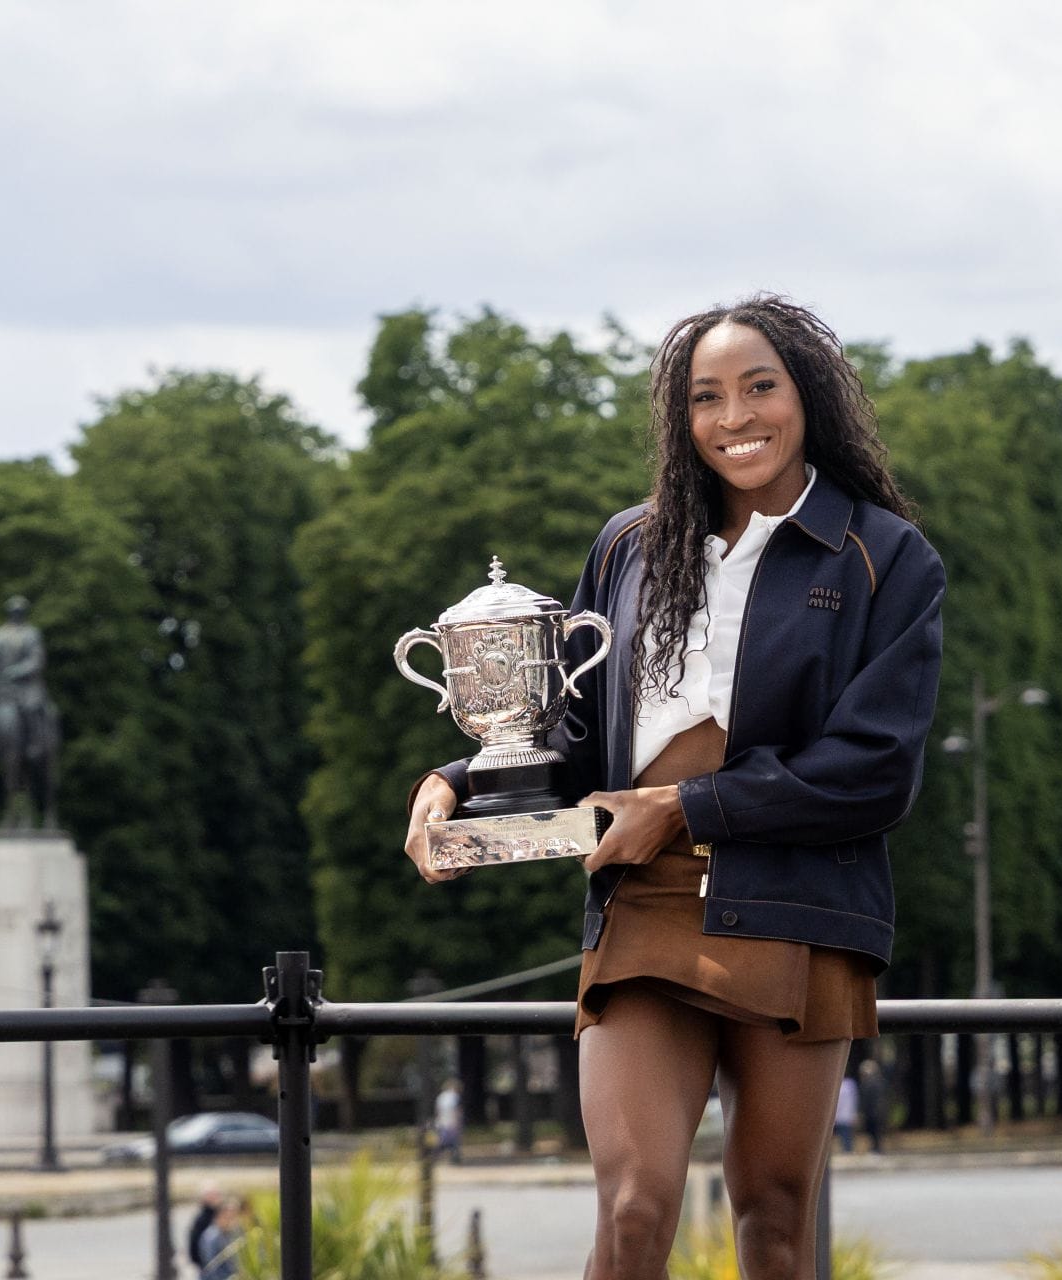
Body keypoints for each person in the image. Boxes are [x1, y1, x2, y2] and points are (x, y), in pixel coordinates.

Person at [405, 295, 944, 1280]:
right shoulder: (628, 547)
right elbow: (573, 731)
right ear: (680, 415)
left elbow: (876, 769)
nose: (735, 416)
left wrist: (685, 807)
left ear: (807, 396)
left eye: (759, 387)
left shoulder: (885, 555)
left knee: (774, 1219)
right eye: (706, 396)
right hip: (643, 907)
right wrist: (458, 782)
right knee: (632, 1205)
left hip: (800, 906)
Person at [198, 1196, 246, 1279]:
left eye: (234, 1216)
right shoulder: (211, 1237)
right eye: (229, 1217)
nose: (232, 1221)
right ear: (220, 1216)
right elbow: (212, 1267)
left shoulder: (231, 1233)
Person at [186, 1182, 223, 1270]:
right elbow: (194, 1242)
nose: (214, 1197)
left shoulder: (221, 1214)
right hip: (205, 1264)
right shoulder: (201, 1219)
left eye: (215, 1194)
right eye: (210, 1195)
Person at [858, 1058, 890, 1154]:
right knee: (876, 1132)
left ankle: (876, 1148)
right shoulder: (881, 1081)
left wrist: (862, 1111)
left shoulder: (868, 1083)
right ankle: (877, 1148)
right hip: (879, 1111)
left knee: (874, 1131)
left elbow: (866, 1100)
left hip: (873, 1112)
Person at [434, 1078, 464, 1164]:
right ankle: (455, 1158)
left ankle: (436, 1155)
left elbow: (437, 1110)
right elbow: (457, 1109)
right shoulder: (455, 1096)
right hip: (452, 1119)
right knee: (454, 1141)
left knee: (443, 1139)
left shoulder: (441, 1096)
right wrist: (458, 1120)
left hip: (442, 1120)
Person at [834, 1074, 860, 1153]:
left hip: (844, 1115)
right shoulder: (850, 1084)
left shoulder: (848, 1084)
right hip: (843, 1115)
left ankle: (847, 1151)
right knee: (844, 1136)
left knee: (845, 1136)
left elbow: (853, 1100)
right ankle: (846, 1150)